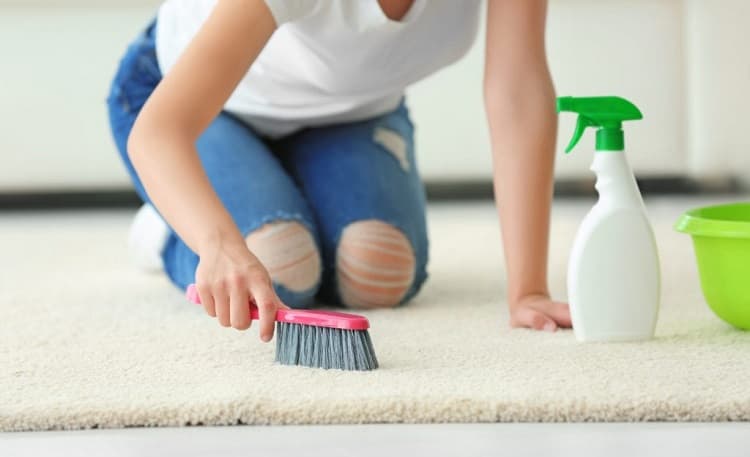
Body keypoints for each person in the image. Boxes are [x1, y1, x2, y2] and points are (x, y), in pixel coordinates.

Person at [107, 0, 572, 343]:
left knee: (378, 269)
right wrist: (219, 242)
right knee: (280, 263)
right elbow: (159, 133)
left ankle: (276, 193)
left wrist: (528, 289)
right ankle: (168, 230)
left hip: (348, 114)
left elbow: (517, 89)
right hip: (200, 107)